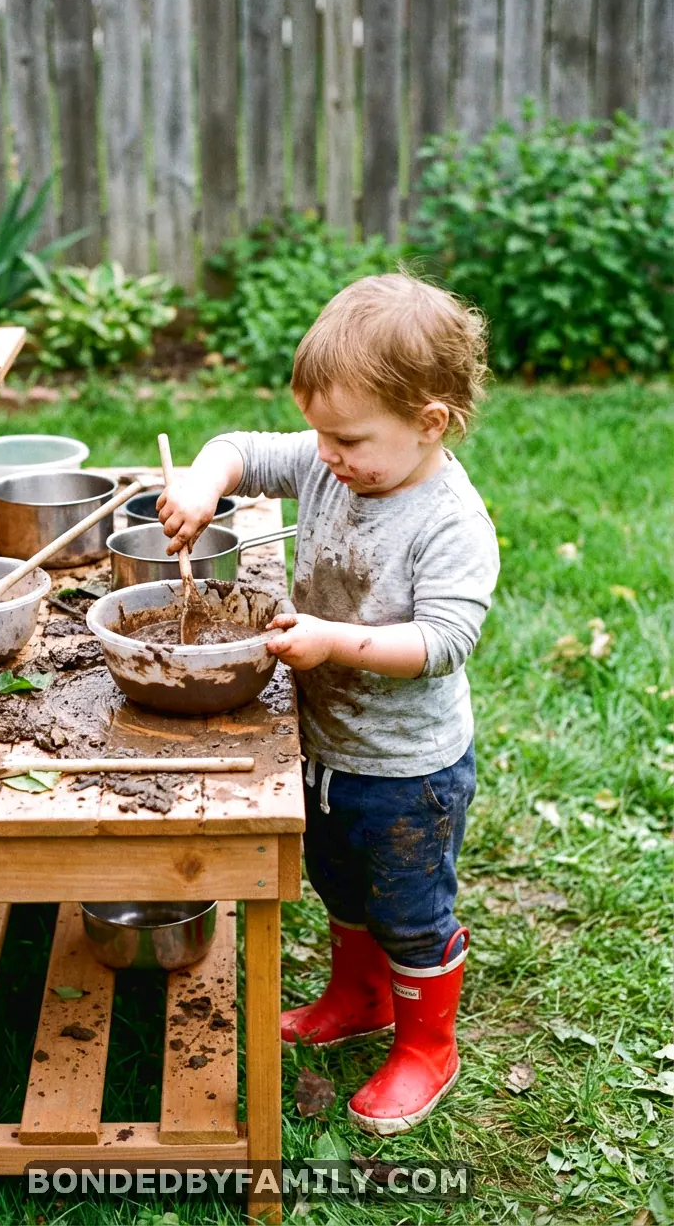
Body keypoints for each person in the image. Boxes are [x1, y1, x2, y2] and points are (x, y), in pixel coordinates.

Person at [157, 272, 500, 1135]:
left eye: (347, 440)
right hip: (329, 745)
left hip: (407, 769)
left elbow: (441, 644)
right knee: (339, 882)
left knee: (410, 909)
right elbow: (239, 448)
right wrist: (205, 483)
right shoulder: (330, 459)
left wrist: (332, 641)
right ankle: (359, 995)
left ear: (431, 422)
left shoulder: (450, 523)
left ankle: (428, 1045)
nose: (327, 456)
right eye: (318, 435)